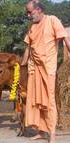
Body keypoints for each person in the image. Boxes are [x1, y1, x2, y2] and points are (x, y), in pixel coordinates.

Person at [21, 0, 70, 143]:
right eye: (28, 12)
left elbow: (65, 40)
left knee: (49, 101)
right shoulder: (32, 27)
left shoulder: (52, 20)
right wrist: (20, 65)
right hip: (34, 69)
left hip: (48, 68)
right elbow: (28, 48)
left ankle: (52, 133)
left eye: (30, 12)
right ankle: (41, 132)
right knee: (37, 101)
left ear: (38, 9)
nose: (28, 15)